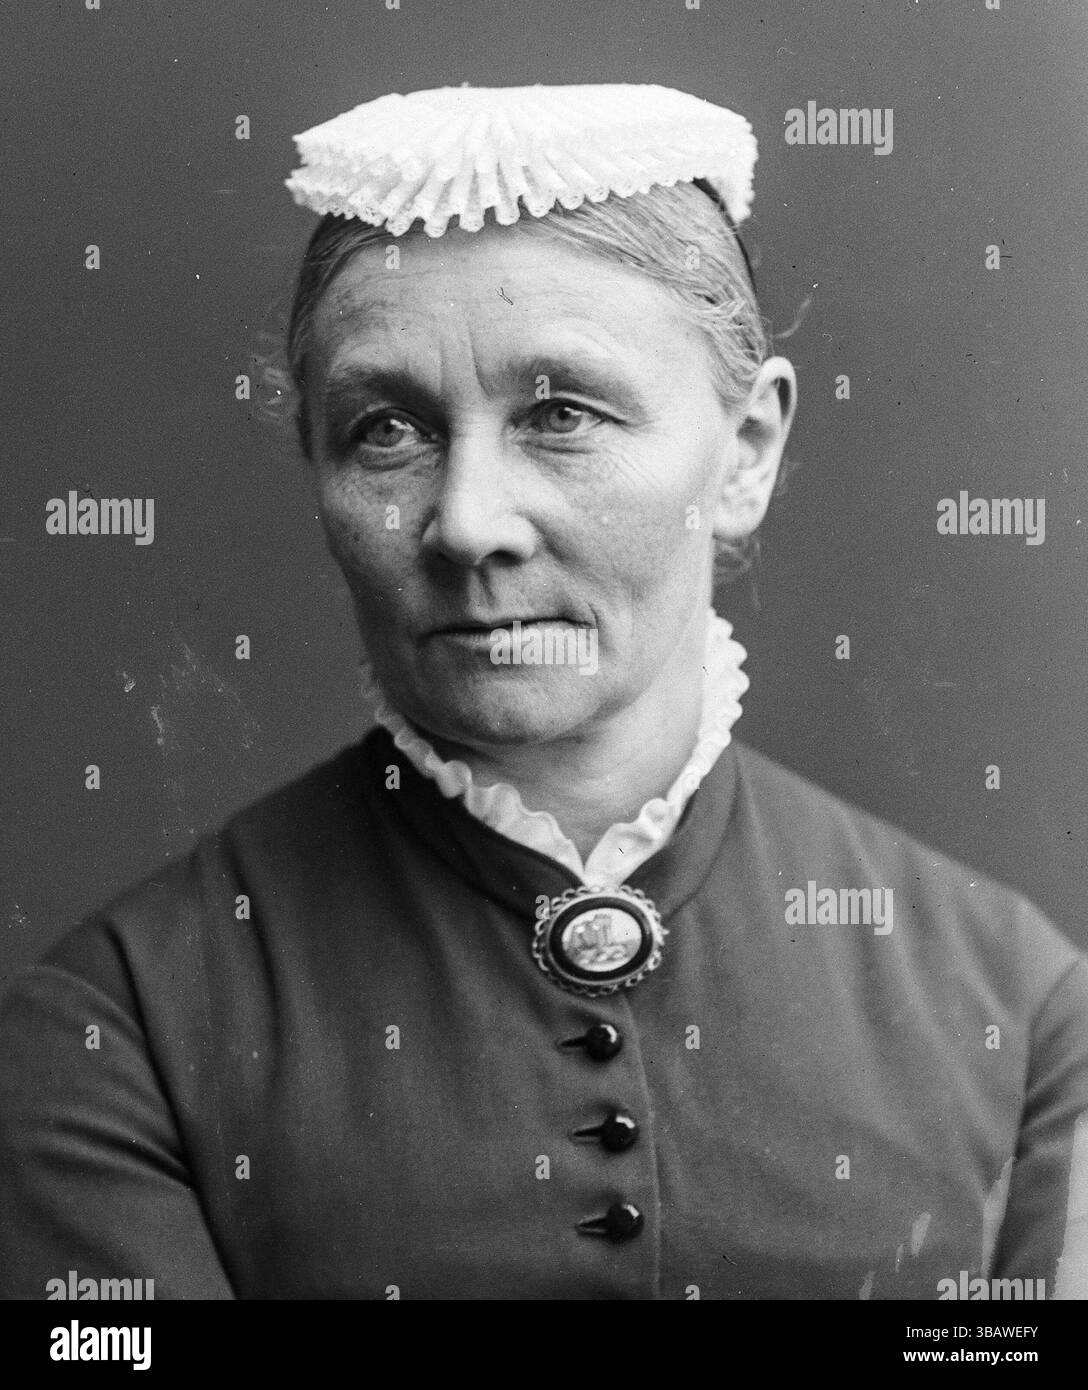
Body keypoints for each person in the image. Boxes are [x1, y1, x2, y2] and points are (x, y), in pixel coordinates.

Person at [2, 83, 1086, 1302]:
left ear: (744, 451)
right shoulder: (119, 1027)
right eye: (386, 431)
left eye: (561, 414)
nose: (467, 522)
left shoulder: (1020, 1015)